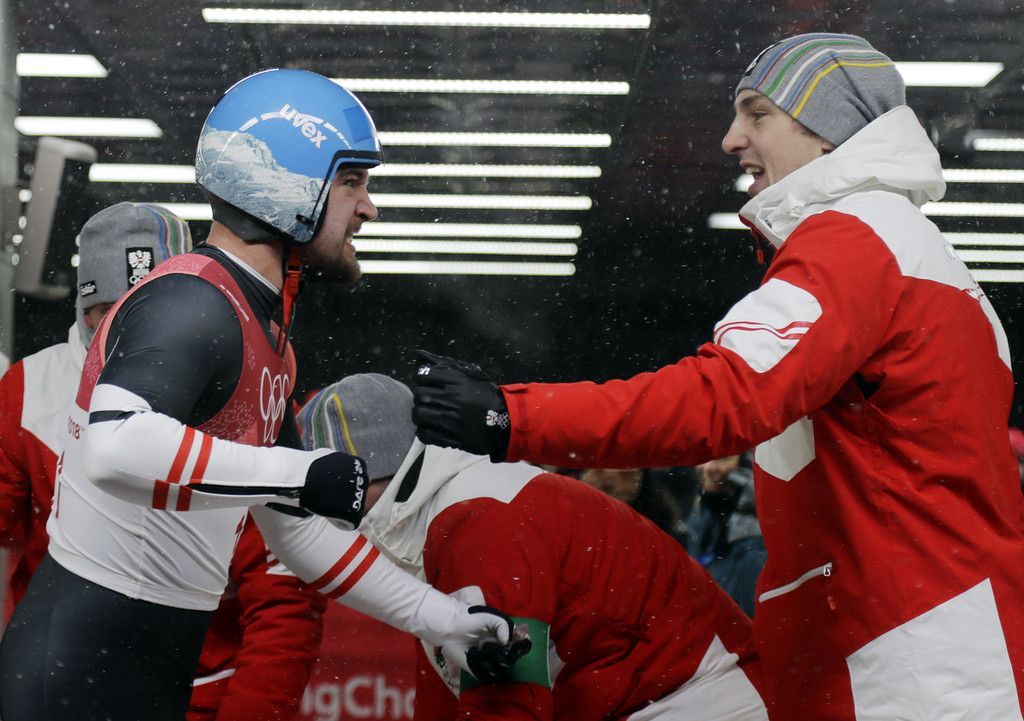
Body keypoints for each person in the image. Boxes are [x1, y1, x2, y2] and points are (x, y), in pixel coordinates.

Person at [411, 33, 1024, 720]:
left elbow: (725, 398)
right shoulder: (913, 251)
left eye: (758, 113)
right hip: (927, 643)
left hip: (902, 660)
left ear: (829, 134)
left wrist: (512, 416)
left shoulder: (857, 237)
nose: (732, 139)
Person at [0, 69, 514, 721]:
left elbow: (296, 531)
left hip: (125, 666)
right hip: (81, 673)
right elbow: (114, 444)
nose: (368, 207)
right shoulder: (193, 300)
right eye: (352, 182)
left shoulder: (254, 329)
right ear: (288, 185)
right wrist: (301, 472)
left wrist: (442, 618)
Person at [0, 203, 327, 721]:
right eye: (109, 307)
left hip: (202, 684)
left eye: (150, 299)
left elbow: (284, 592)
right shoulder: (27, 392)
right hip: (62, 673)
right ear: (83, 309)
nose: (134, 322)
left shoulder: (242, 385)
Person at [299, 373, 768, 721]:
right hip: (657, 695)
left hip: (697, 696)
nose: (326, 511)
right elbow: (447, 692)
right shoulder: (437, 517)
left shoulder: (477, 519)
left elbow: (507, 703)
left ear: (364, 472)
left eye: (326, 489)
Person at [687, 454, 765, 617]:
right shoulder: (702, 514)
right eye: (704, 455)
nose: (709, 467)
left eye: (723, 458)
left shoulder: (758, 548)